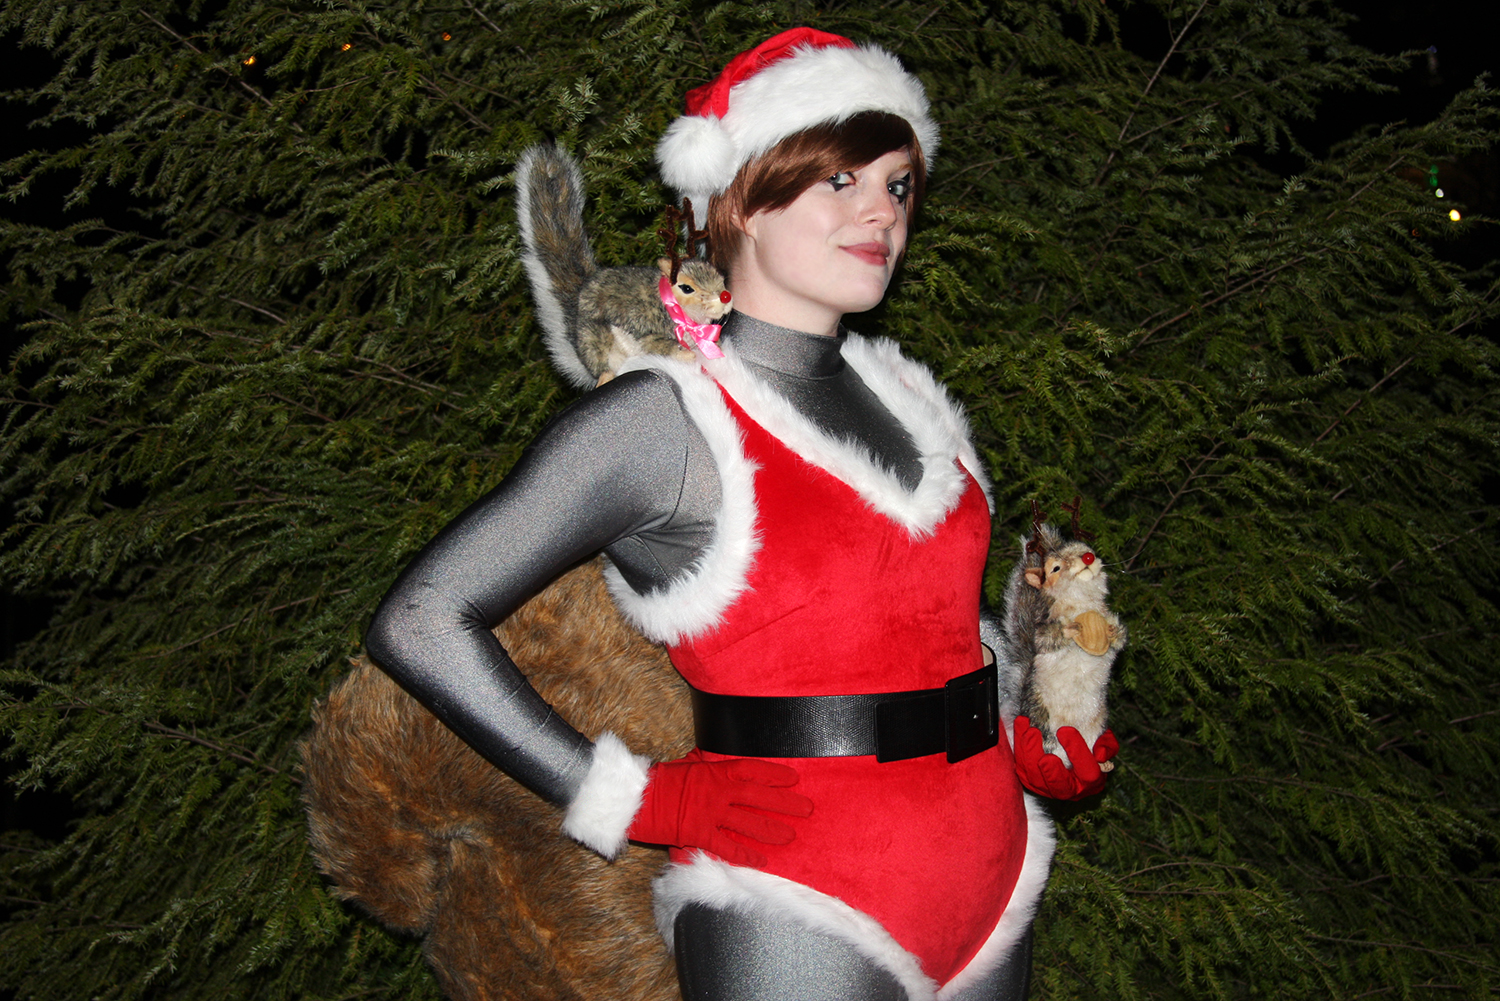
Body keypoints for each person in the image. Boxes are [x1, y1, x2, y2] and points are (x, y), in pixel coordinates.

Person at [364, 27, 1115, 1001]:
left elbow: (921, 619)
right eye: (839, 180)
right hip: (794, 895)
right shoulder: (667, 419)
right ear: (742, 201)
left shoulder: (911, 399)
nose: (882, 211)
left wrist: (1032, 719)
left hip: (992, 872)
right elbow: (420, 619)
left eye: (898, 185)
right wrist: (632, 795)